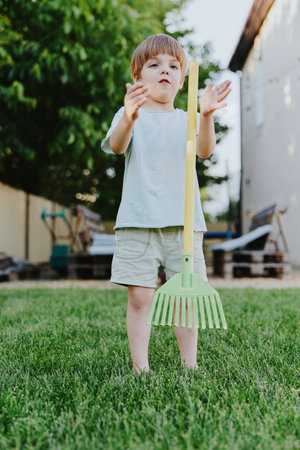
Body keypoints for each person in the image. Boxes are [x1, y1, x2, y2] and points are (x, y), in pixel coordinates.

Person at [101, 34, 231, 373]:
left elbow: (204, 151)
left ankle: (190, 365)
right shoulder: (129, 114)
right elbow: (116, 146)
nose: (165, 70)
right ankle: (140, 367)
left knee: (186, 300)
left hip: (184, 226)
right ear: (137, 78)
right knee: (140, 297)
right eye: (154, 64)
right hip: (137, 222)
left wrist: (205, 115)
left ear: (182, 79)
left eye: (174, 66)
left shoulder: (188, 118)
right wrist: (129, 116)